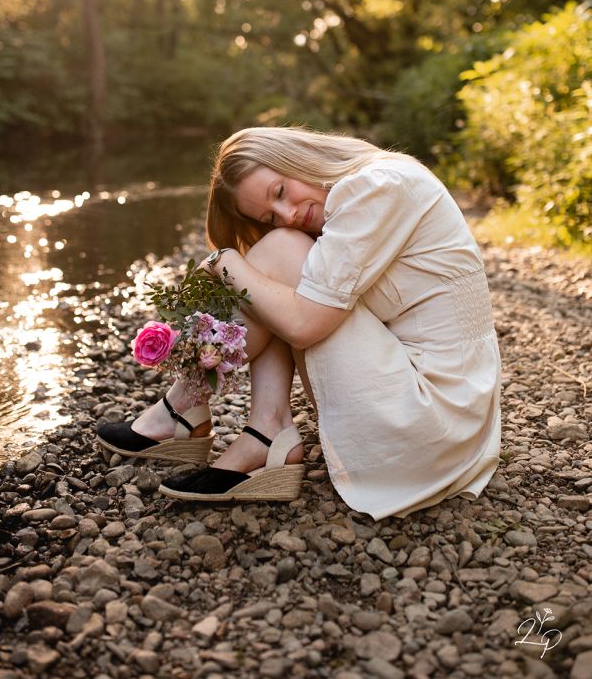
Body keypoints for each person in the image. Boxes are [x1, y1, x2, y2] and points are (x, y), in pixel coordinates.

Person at [97, 126, 501, 518]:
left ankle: (186, 408)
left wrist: (225, 261)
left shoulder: (376, 187)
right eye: (271, 216)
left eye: (280, 192)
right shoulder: (372, 184)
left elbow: (304, 325)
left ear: (297, 157)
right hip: (448, 420)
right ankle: (262, 428)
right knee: (275, 277)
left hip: (427, 428)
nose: (288, 214)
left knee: (278, 255)